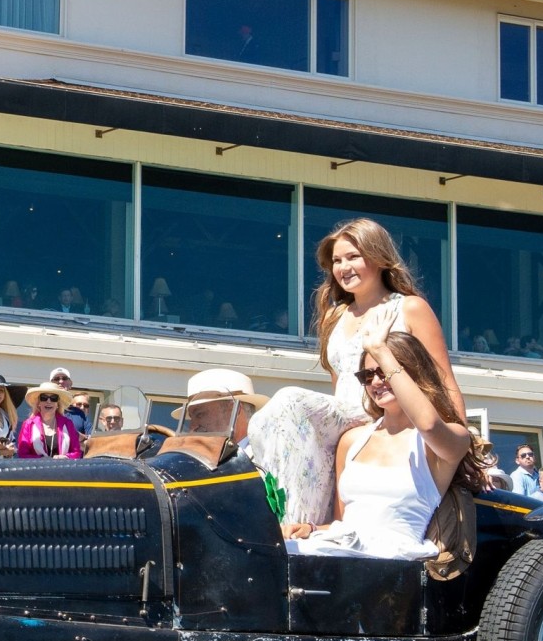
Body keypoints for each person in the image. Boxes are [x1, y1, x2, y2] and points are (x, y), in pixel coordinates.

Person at [248, 217, 464, 528]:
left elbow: (443, 380)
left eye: (353, 257)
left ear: (378, 257)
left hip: (388, 415)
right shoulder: (335, 317)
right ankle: (291, 523)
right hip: (348, 424)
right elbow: (339, 388)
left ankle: (293, 524)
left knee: (290, 400)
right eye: (337, 260)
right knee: (274, 424)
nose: (343, 267)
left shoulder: (408, 308)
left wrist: (461, 443)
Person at [285, 328, 485, 559]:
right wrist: (310, 529)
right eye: (367, 376)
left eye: (384, 371)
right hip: (341, 553)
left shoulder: (447, 438)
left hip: (393, 563)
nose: (376, 382)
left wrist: (380, 350)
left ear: (415, 373)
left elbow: (428, 425)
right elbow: (344, 524)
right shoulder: (352, 440)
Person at [173, 369, 268, 452]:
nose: (192, 427)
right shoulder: (197, 460)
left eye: (200, 414)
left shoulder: (268, 461)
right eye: (191, 418)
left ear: (233, 410)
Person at [17, 382, 82, 459]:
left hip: (63, 470)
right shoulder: (28, 424)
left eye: (53, 398)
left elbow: (77, 452)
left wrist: (66, 457)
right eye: (44, 397)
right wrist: (40, 460)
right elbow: (22, 454)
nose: (48, 401)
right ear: (39, 403)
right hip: (37, 470)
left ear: (57, 404)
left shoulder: (68, 423)